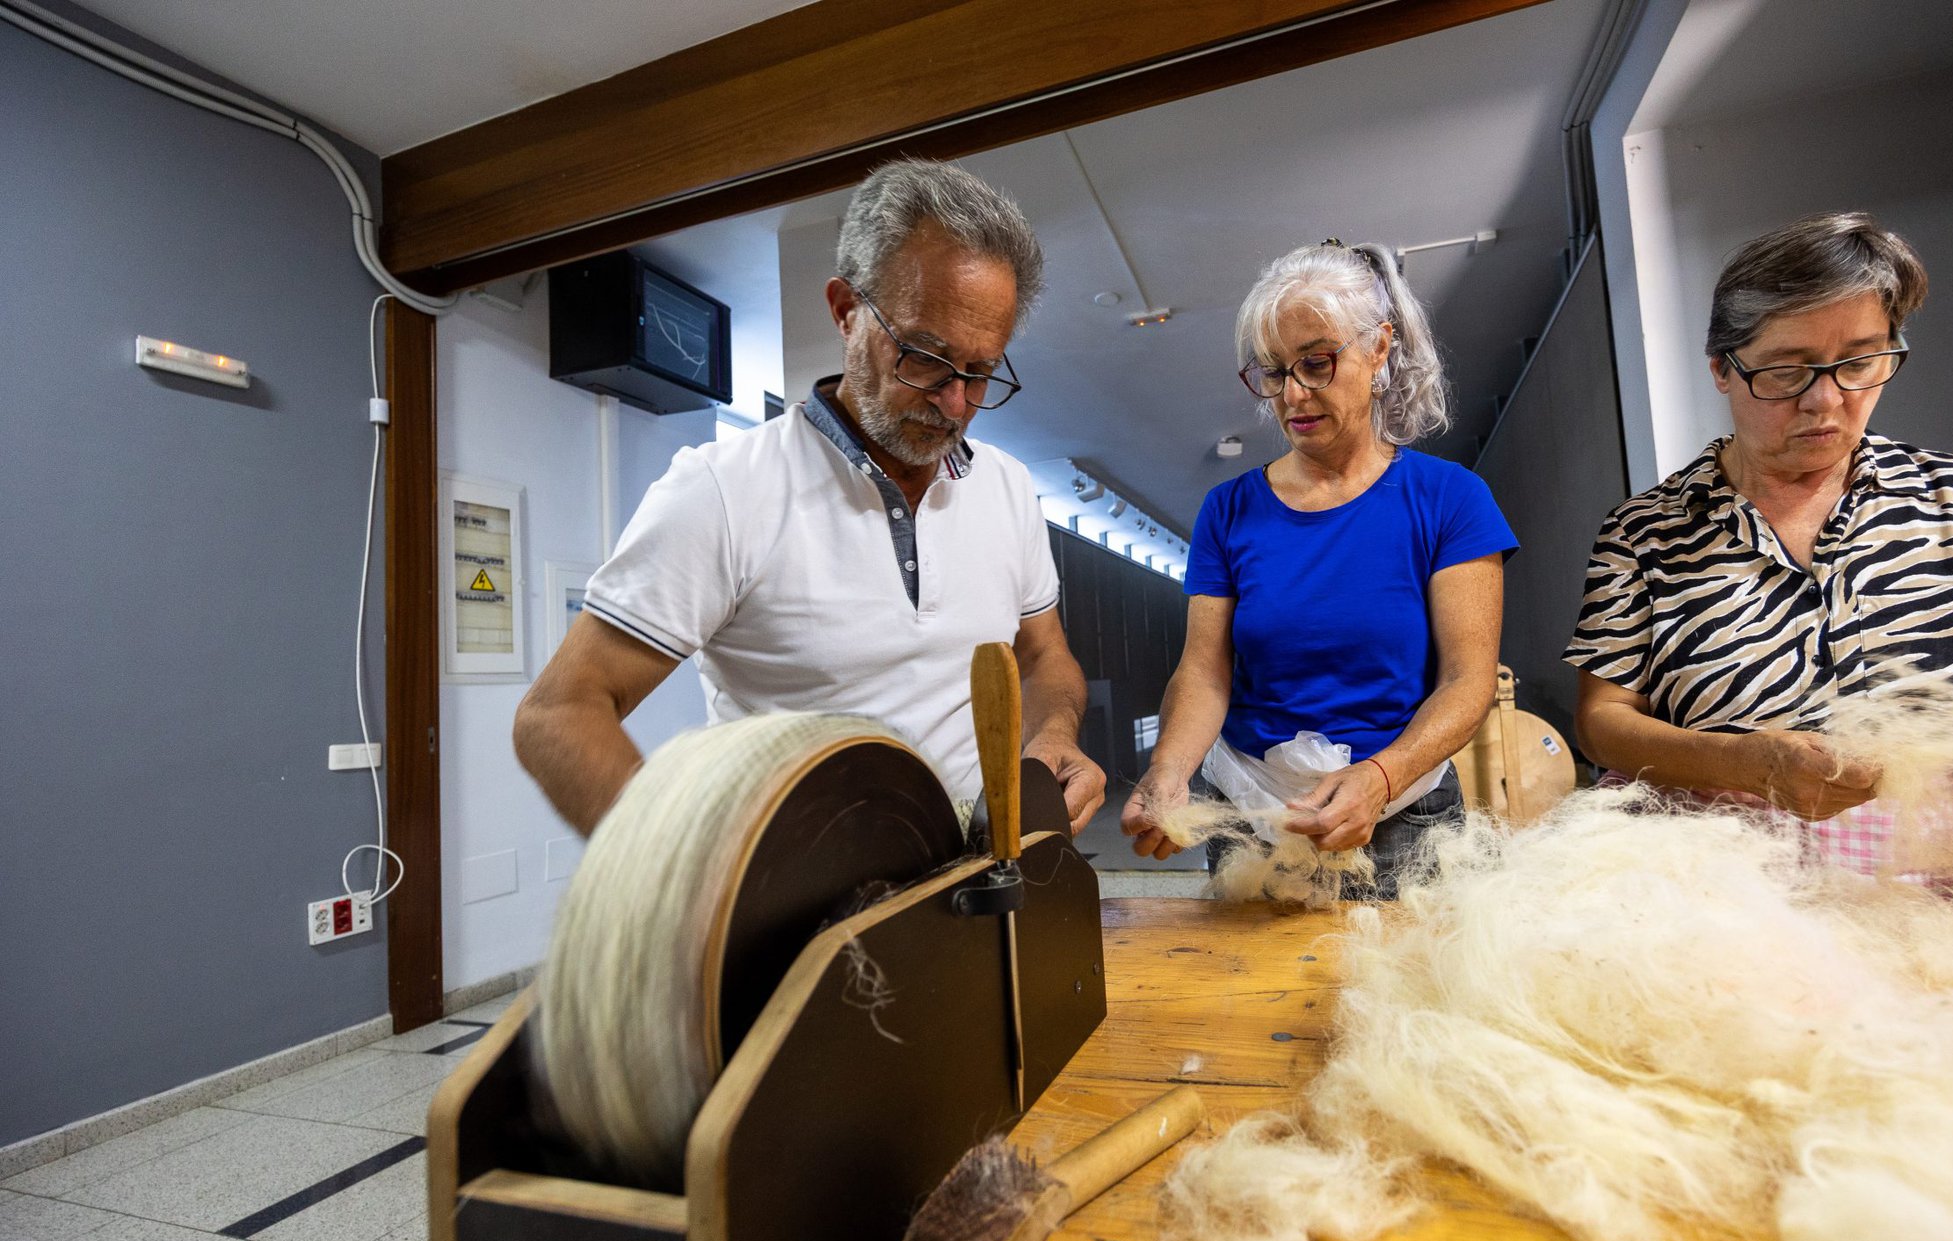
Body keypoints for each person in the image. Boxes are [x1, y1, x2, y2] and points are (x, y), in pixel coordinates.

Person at [1565, 211, 1953, 873]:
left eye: (1859, 362)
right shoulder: (1645, 533)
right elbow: (1604, 719)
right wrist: (1739, 761)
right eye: (1786, 371)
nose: (1825, 400)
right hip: (1733, 894)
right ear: (1722, 368)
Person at [515, 159, 1103, 836]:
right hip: (800, 923)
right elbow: (558, 712)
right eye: (924, 355)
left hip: (974, 888)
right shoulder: (726, 489)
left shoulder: (1007, 488)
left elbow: (1042, 656)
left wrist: (1054, 733)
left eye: (980, 371)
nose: (955, 401)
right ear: (846, 311)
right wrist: (687, 880)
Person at [1121, 239, 1516, 896]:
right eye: (1274, 372)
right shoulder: (1230, 511)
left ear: (1379, 349)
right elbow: (1204, 670)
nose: (1293, 395)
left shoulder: (1450, 502)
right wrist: (1169, 770)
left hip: (1401, 817)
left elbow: (1467, 682)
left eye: (1317, 363)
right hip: (1254, 821)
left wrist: (1383, 776)